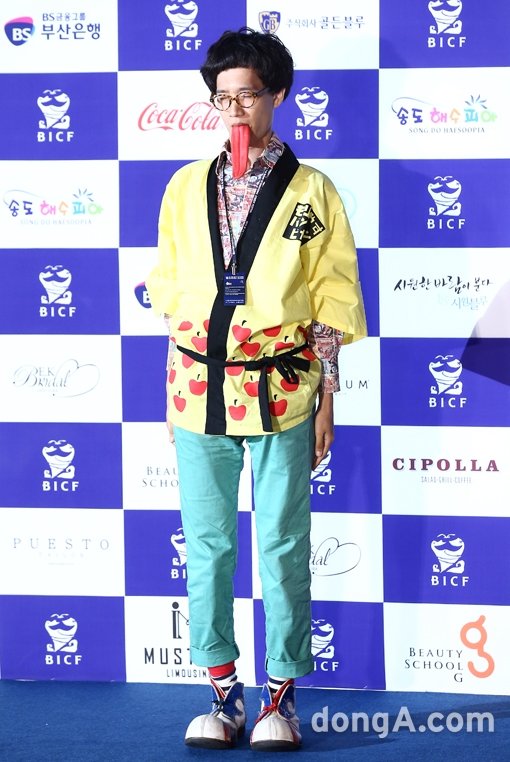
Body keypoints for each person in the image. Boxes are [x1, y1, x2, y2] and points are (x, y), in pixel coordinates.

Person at [146, 27, 367, 751]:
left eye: (248, 95)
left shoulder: (312, 191)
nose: (236, 109)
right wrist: (176, 376)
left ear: (278, 95)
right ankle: (221, 693)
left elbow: (332, 296)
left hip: (284, 388)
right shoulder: (185, 186)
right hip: (198, 388)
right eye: (223, 98)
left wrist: (328, 394)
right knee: (207, 544)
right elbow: (170, 287)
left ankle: (280, 697)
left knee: (282, 542)